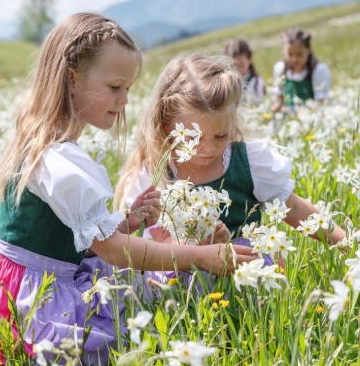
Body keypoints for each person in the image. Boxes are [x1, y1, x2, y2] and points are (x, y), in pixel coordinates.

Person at [0, 13, 256, 366]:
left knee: (139, 295)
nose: (124, 101)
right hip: (29, 305)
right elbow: (112, 252)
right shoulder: (62, 159)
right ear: (72, 78)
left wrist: (126, 221)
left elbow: (72, 236)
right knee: (136, 337)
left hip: (3, 292)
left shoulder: (42, 139)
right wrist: (197, 257)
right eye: (115, 87)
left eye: (128, 90)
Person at [115, 53, 347, 249]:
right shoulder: (156, 175)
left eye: (221, 136)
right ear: (167, 126)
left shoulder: (249, 162)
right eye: (194, 139)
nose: (209, 148)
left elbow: (295, 208)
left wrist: (347, 243)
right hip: (183, 280)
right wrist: (197, 245)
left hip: (247, 270)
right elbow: (160, 245)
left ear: (232, 124)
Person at [271, 27, 331, 113]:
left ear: (309, 49)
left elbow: (321, 101)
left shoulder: (318, 70)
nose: (294, 59)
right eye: (290, 54)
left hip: (311, 116)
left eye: (299, 54)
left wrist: (306, 114)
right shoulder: (281, 69)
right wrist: (277, 107)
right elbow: (279, 99)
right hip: (288, 116)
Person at [224, 38, 264, 105]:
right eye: (233, 66)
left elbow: (258, 103)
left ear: (249, 59)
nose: (237, 70)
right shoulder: (227, 85)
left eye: (241, 65)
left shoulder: (256, 82)